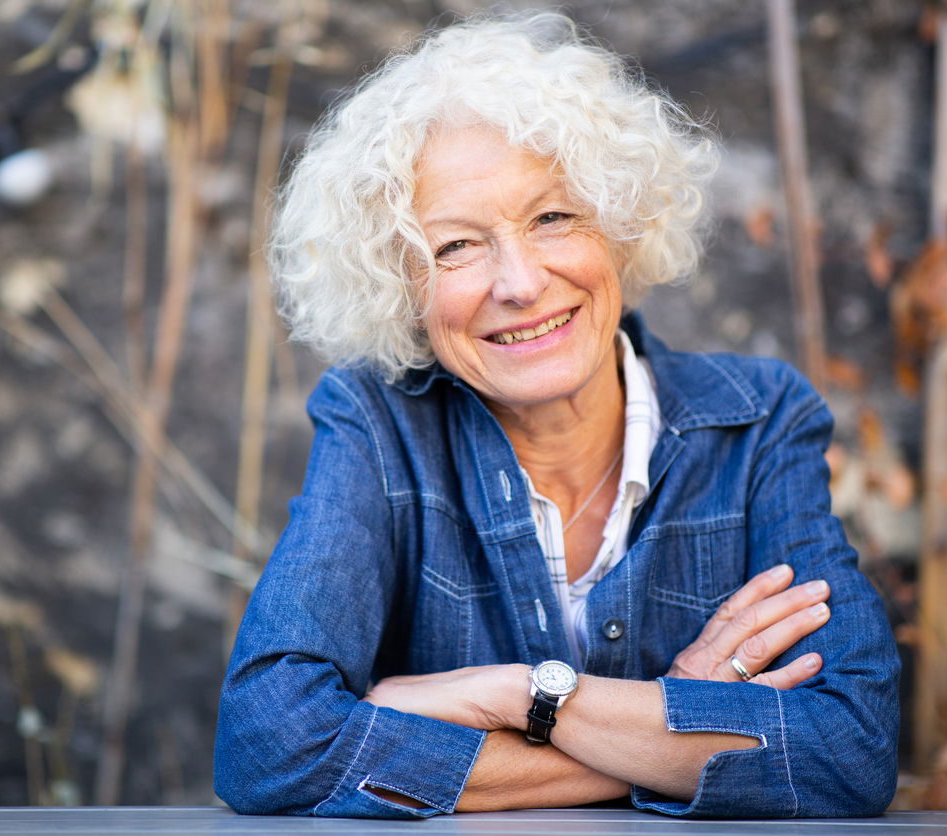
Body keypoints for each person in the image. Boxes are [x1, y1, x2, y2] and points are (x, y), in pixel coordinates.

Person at [214, 13, 899, 819]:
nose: (520, 283)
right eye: (456, 248)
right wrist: (669, 713)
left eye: (553, 218)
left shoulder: (757, 422)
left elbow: (850, 750)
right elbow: (267, 746)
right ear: (401, 289)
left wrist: (515, 701)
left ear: (617, 223)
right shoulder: (377, 423)